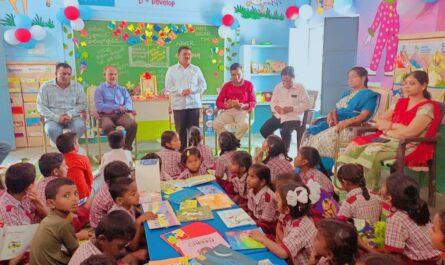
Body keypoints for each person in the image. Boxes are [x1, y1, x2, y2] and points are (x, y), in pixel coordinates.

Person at [338, 70, 441, 189]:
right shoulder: (400, 102)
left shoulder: (427, 107)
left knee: (370, 152)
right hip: (388, 138)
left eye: (412, 83)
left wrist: (389, 127)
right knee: (354, 146)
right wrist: (395, 127)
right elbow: (380, 120)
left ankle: (370, 192)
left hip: (408, 144)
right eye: (405, 83)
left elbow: (410, 132)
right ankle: (350, 185)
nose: (407, 86)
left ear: (423, 86)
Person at [301, 67, 378, 168]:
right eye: (349, 77)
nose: (350, 80)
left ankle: (322, 170)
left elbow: (364, 116)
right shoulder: (346, 93)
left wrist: (348, 121)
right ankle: (305, 167)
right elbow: (337, 109)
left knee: (319, 140)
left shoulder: (369, 95)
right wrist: (330, 115)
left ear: (364, 78)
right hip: (335, 123)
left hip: (350, 127)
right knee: (309, 134)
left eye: (354, 77)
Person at [249, 181, 316, 265]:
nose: (275, 200)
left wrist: (262, 238)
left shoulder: (300, 228)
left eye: (278, 201)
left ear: (287, 209)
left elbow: (283, 253)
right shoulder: (288, 214)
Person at [383, 173, 441, 264]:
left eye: (384, 186)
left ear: (389, 197)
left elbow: (393, 257)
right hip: (436, 257)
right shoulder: (418, 209)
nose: (381, 188)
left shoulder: (396, 220)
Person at [165, 46, 207, 151]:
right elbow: (168, 86)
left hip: (194, 105)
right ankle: (181, 154)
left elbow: (203, 85)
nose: (187, 56)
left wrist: (192, 90)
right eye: (184, 54)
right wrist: (180, 91)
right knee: (180, 132)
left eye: (189, 54)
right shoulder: (171, 70)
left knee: (194, 132)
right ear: (178, 55)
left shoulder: (196, 69)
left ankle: (195, 153)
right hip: (179, 106)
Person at [30, 178, 80, 265]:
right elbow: (77, 254)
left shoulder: (50, 218)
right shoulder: (63, 223)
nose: (75, 199)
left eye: (76, 193)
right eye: (67, 196)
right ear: (51, 203)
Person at [260, 66, 311, 151]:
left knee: (285, 132)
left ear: (293, 78)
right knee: (264, 129)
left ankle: (285, 153)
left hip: (294, 117)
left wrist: (292, 109)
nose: (286, 84)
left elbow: (307, 104)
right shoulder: (278, 87)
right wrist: (276, 108)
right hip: (279, 116)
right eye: (283, 81)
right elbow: (273, 102)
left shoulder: (300, 87)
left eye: (288, 81)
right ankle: (276, 147)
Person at [37, 63, 87, 144]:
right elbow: (41, 106)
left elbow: (82, 104)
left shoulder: (77, 86)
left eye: (69, 74)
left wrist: (69, 114)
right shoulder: (46, 87)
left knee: (80, 126)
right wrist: (57, 118)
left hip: (73, 117)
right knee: (51, 129)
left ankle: (71, 147)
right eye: (63, 74)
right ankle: (63, 149)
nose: (67, 76)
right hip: (53, 119)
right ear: (56, 74)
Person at [108, 177, 156, 254]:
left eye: (137, 191)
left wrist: (137, 211)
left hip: (131, 237)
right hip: (123, 252)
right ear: (120, 200)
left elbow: (133, 210)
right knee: (151, 250)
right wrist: (138, 222)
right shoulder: (120, 218)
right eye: (133, 194)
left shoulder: (126, 205)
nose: (138, 195)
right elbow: (133, 247)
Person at [68, 211, 137, 265]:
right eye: (120, 246)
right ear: (102, 239)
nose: (123, 250)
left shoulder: (95, 243)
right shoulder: (91, 261)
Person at [94, 65, 137, 151]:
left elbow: (128, 102)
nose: (113, 76)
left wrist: (128, 109)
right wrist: (116, 107)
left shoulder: (122, 89)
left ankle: (126, 148)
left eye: (115, 74)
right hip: (105, 116)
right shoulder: (99, 89)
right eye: (110, 74)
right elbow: (99, 106)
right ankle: (117, 149)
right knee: (108, 126)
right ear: (104, 75)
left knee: (132, 124)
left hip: (120, 115)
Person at [213, 63, 256, 140]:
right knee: (216, 124)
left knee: (245, 125)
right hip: (228, 111)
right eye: (233, 75)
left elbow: (253, 101)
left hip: (242, 111)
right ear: (231, 75)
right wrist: (226, 105)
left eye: (239, 74)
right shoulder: (227, 85)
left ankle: (234, 142)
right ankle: (229, 140)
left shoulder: (249, 85)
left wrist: (244, 106)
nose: (236, 77)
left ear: (242, 73)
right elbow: (218, 101)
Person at [90, 161, 131, 229]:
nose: (126, 182)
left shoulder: (109, 186)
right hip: (102, 229)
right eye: (122, 180)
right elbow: (119, 218)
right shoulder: (111, 196)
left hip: (98, 221)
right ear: (109, 181)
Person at [56, 132, 94, 200]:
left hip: (65, 198)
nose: (78, 145)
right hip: (84, 197)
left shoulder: (58, 162)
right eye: (77, 142)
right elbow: (90, 180)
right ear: (74, 145)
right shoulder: (83, 159)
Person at [246, 163, 277, 235]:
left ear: (262, 182)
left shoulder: (268, 197)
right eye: (248, 175)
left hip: (268, 225)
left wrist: (252, 224)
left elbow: (266, 220)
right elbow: (251, 210)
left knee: (252, 233)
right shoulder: (251, 191)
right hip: (257, 219)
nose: (248, 179)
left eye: (252, 177)